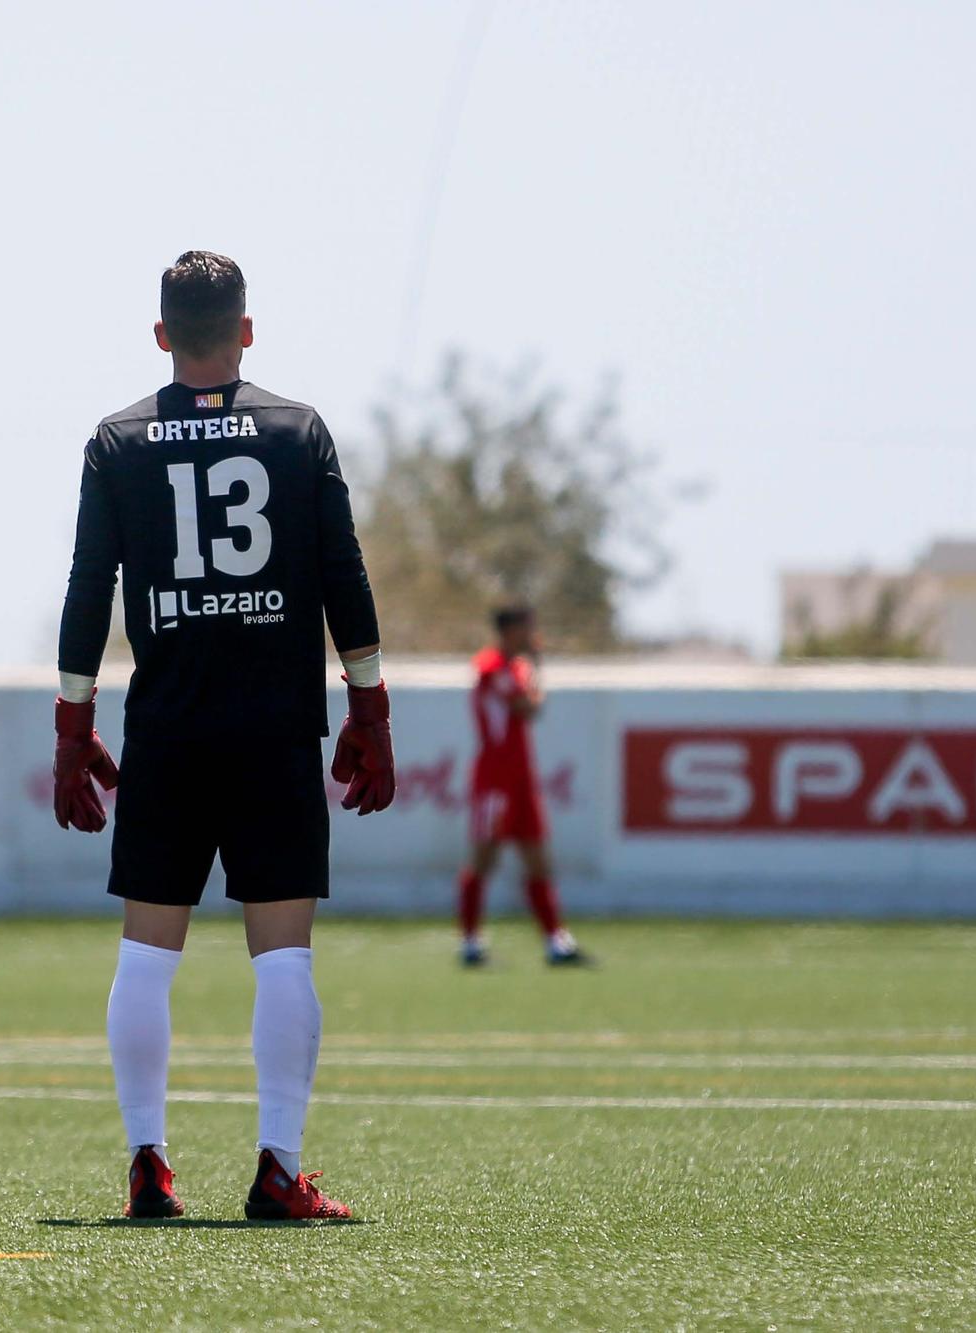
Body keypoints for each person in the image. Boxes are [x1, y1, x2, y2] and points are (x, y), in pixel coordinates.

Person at [53, 251, 397, 1221]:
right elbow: (345, 575)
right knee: (282, 954)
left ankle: (146, 1163)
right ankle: (277, 1167)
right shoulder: (296, 431)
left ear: (162, 335)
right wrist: (367, 708)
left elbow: (89, 589)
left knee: (146, 952)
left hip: (167, 727)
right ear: (246, 329)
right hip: (273, 729)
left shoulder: (119, 441)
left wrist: (72, 725)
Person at [455, 606, 588, 967]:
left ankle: (555, 941)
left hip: (521, 779)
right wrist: (535, 670)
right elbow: (526, 707)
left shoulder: (517, 669)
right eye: (528, 627)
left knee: (538, 858)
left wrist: (532, 671)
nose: (534, 634)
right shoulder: (490, 666)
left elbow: (529, 705)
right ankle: (469, 942)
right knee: (484, 857)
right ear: (512, 629)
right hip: (494, 780)